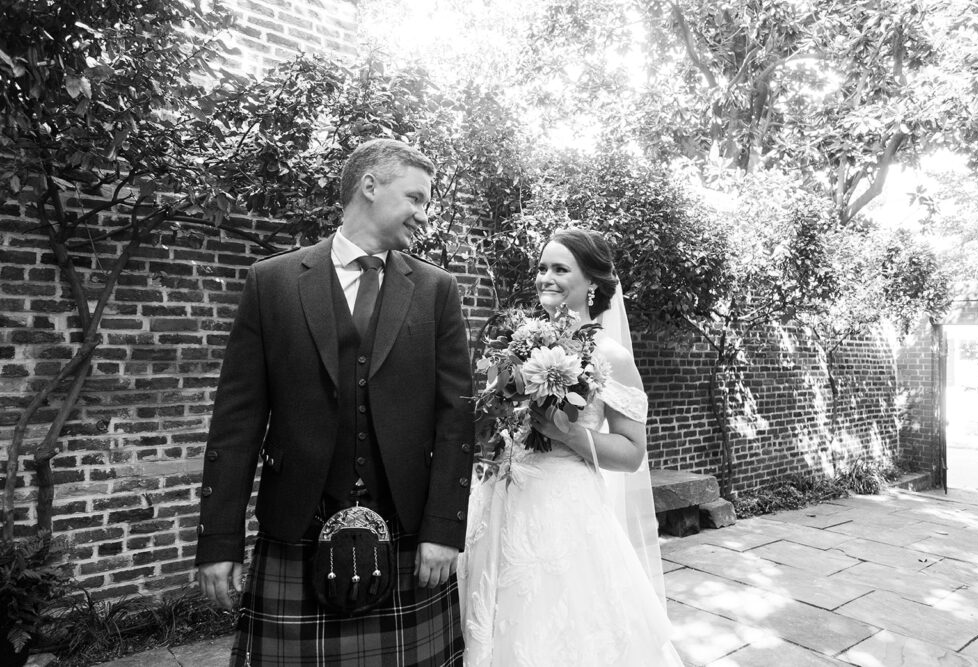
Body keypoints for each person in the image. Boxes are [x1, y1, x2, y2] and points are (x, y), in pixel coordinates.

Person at [195, 138, 476, 666]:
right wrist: (219, 541)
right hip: (297, 526)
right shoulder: (272, 282)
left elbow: (455, 420)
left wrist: (444, 529)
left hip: (409, 532)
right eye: (415, 198)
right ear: (370, 186)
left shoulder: (437, 289)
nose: (423, 214)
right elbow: (236, 423)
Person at [459, 228, 683, 666]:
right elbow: (494, 420)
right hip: (501, 495)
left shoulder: (612, 355)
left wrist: (567, 433)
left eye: (561, 269)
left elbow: (633, 452)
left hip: (562, 509)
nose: (546, 278)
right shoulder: (519, 342)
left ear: (592, 283)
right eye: (542, 268)